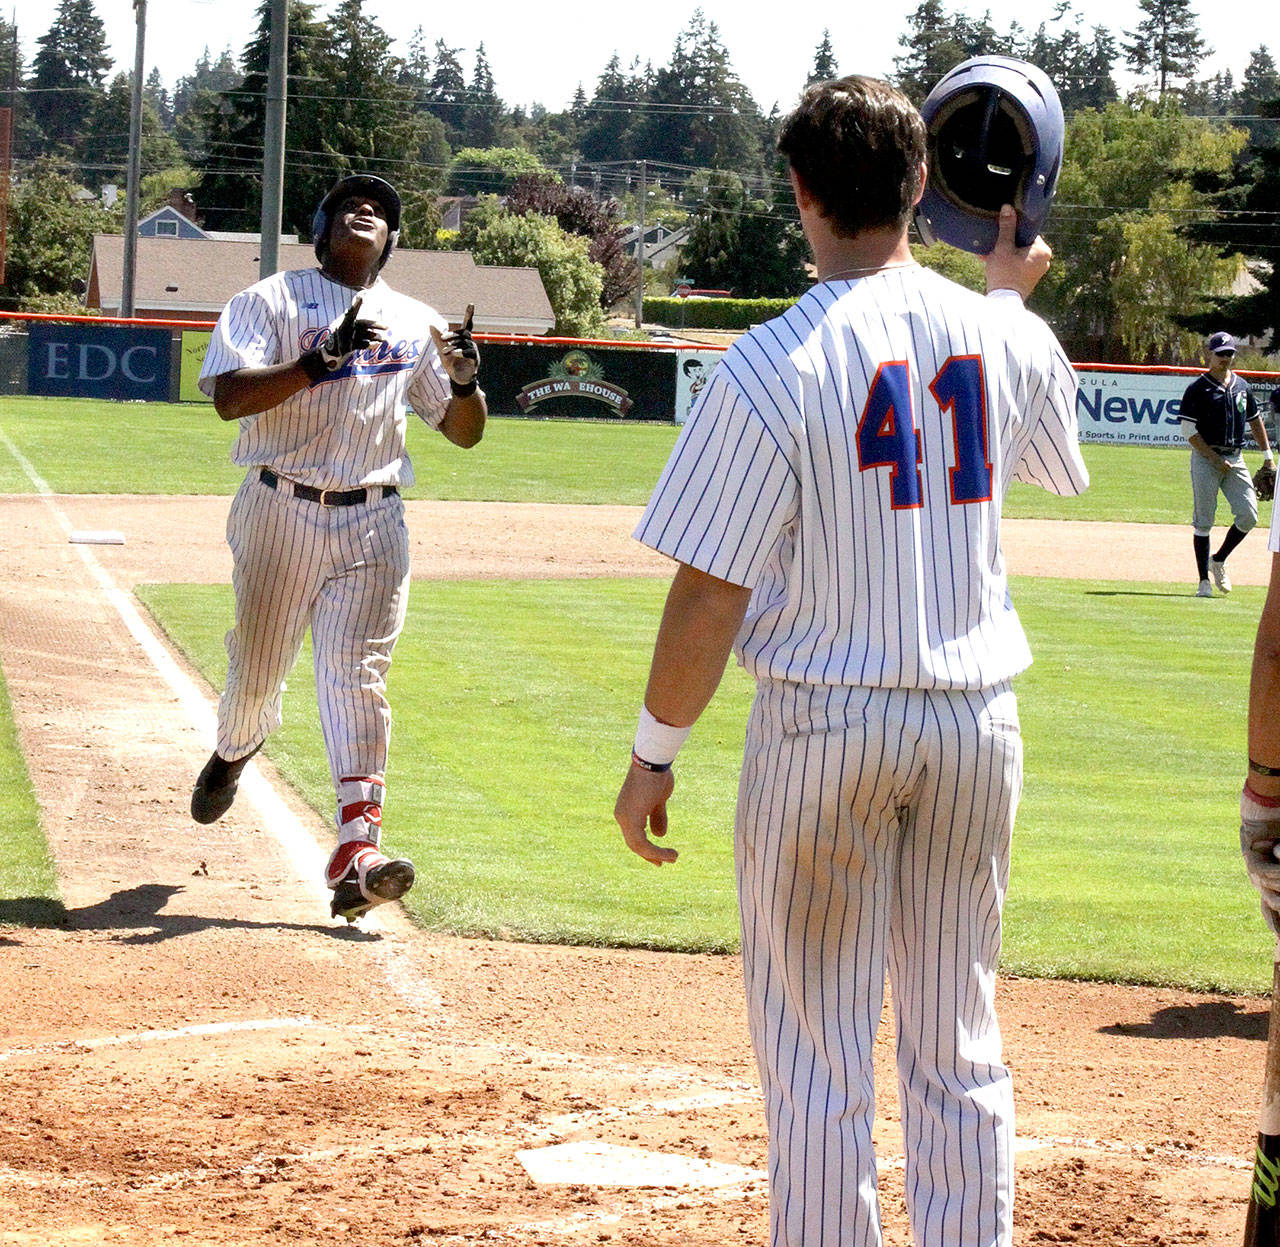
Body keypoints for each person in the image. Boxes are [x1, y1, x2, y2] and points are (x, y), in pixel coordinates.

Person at [613, 75, 1088, 1247]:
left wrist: (653, 753)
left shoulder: (766, 363)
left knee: (817, 1052)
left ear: (798, 190)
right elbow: (1058, 464)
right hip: (974, 724)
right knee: (956, 1042)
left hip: (824, 725)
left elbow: (709, 587)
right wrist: (1006, 291)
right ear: (921, 183)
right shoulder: (1000, 332)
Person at [190, 173, 486, 923]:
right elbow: (228, 398)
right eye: (352, 204)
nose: (367, 211)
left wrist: (463, 383)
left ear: (391, 241)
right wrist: (315, 363)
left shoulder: (415, 320)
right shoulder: (269, 301)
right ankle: (234, 750)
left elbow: (463, 432)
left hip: (373, 519)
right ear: (321, 228)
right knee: (256, 676)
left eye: (381, 210)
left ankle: (359, 851)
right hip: (278, 507)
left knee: (358, 678)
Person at [1179, 330, 1273, 598]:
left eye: (1229, 353)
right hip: (1206, 459)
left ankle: (1218, 560)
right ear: (1210, 355)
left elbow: (1255, 420)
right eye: (1220, 354)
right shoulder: (1198, 389)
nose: (1225, 358)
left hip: (1235, 457)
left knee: (1249, 515)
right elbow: (1188, 431)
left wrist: (1268, 456)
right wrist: (1214, 459)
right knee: (1204, 521)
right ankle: (1203, 582)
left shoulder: (1242, 386)